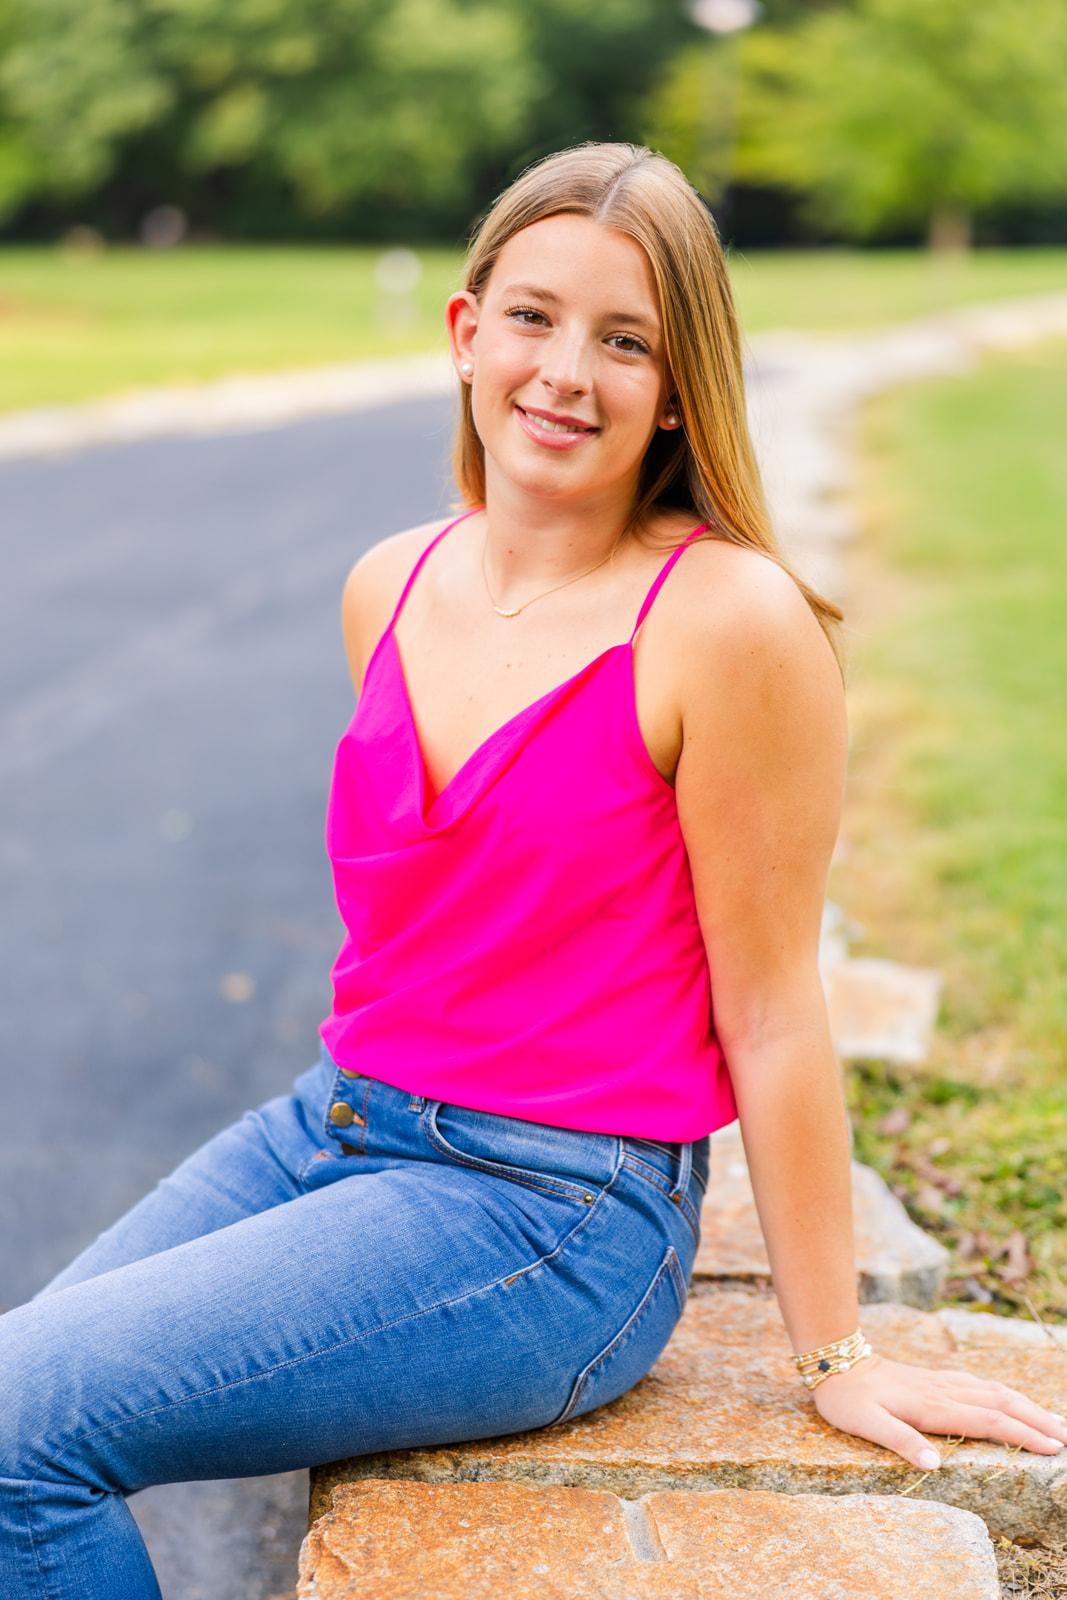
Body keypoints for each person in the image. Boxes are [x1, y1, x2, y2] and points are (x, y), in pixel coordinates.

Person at [1, 143, 1063, 1600]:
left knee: (21, 1435)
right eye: (533, 318)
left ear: (683, 385)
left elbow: (772, 1009)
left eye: (627, 340)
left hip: (552, 1216)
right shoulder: (392, 583)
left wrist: (835, 1355)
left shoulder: (727, 624)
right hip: (336, 1130)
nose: (567, 370)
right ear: (463, 332)